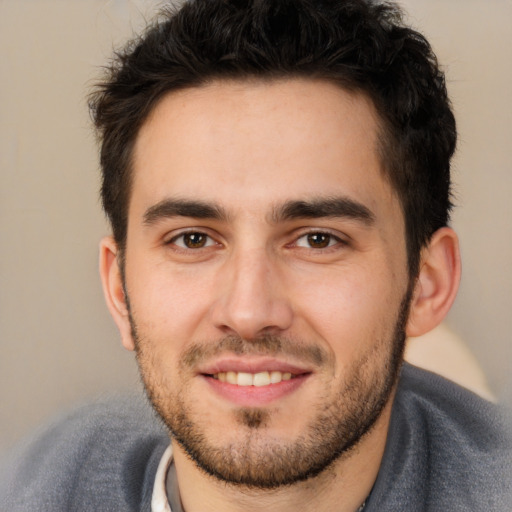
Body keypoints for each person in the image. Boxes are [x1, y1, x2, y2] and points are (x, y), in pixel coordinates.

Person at [1, 0, 511, 510]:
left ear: (427, 282)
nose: (248, 313)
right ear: (119, 292)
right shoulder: (30, 486)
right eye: (193, 240)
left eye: (318, 240)